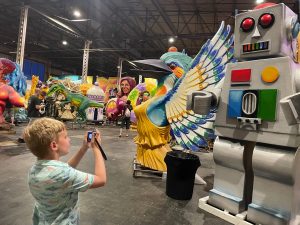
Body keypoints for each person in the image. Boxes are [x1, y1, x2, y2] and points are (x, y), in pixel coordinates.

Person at [24, 117, 106, 225]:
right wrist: (96, 148)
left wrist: (83, 149)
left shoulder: (35, 170)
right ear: (54, 145)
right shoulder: (63, 175)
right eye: (66, 137)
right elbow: (101, 179)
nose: (69, 139)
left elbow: (65, 170)